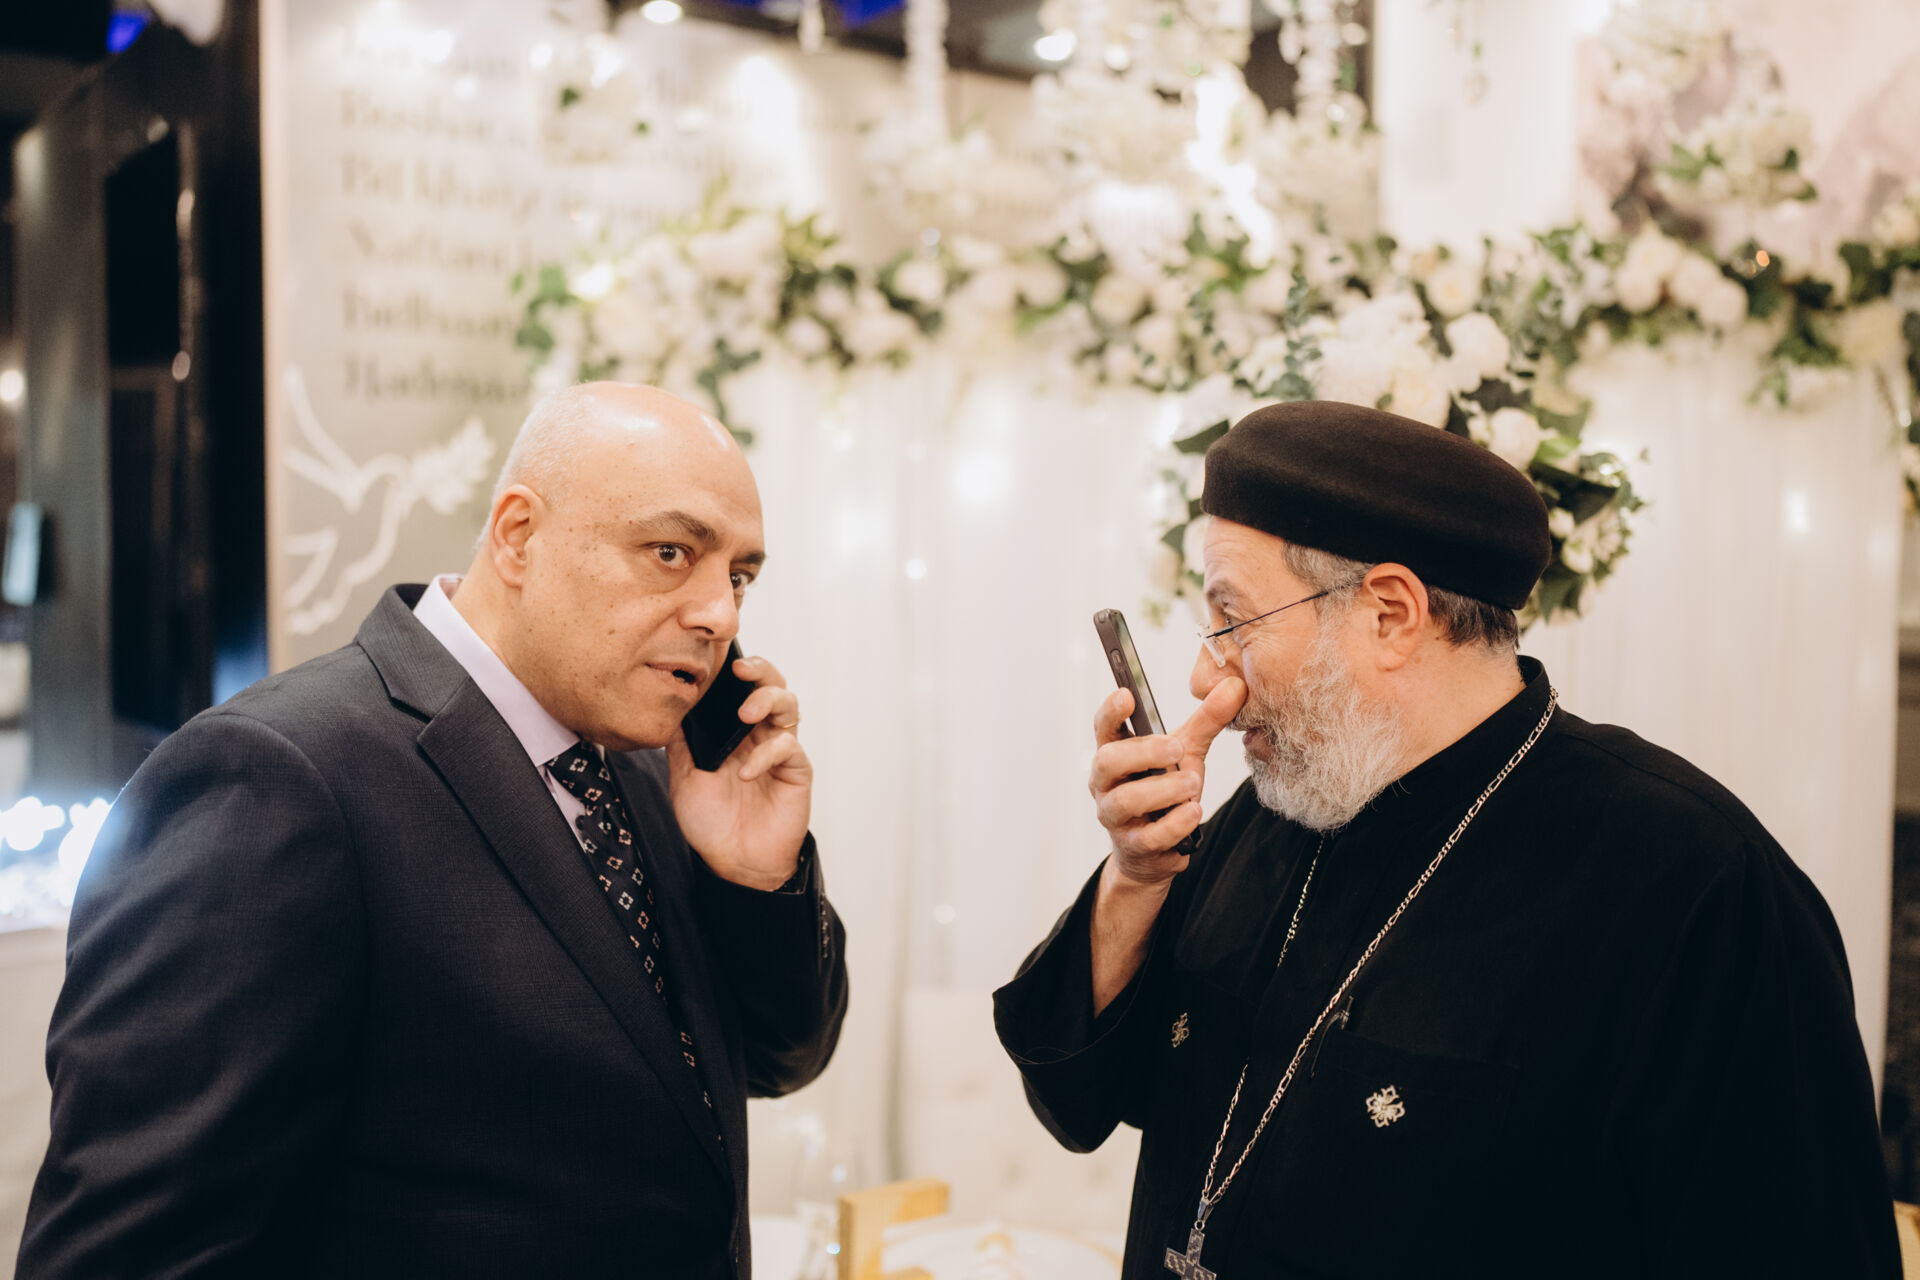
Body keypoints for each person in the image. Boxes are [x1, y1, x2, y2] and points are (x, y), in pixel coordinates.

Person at [995, 400, 1900, 1278]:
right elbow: (1075, 1099)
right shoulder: (1274, 809)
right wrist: (1137, 878)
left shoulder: (1698, 886)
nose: (1204, 675)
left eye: (1232, 622)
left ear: (1391, 612)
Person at [19, 383, 848, 1278]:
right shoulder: (272, 779)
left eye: (738, 576)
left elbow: (777, 1061)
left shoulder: (657, 770)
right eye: (671, 552)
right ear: (519, 536)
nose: (721, 614)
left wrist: (756, 880)